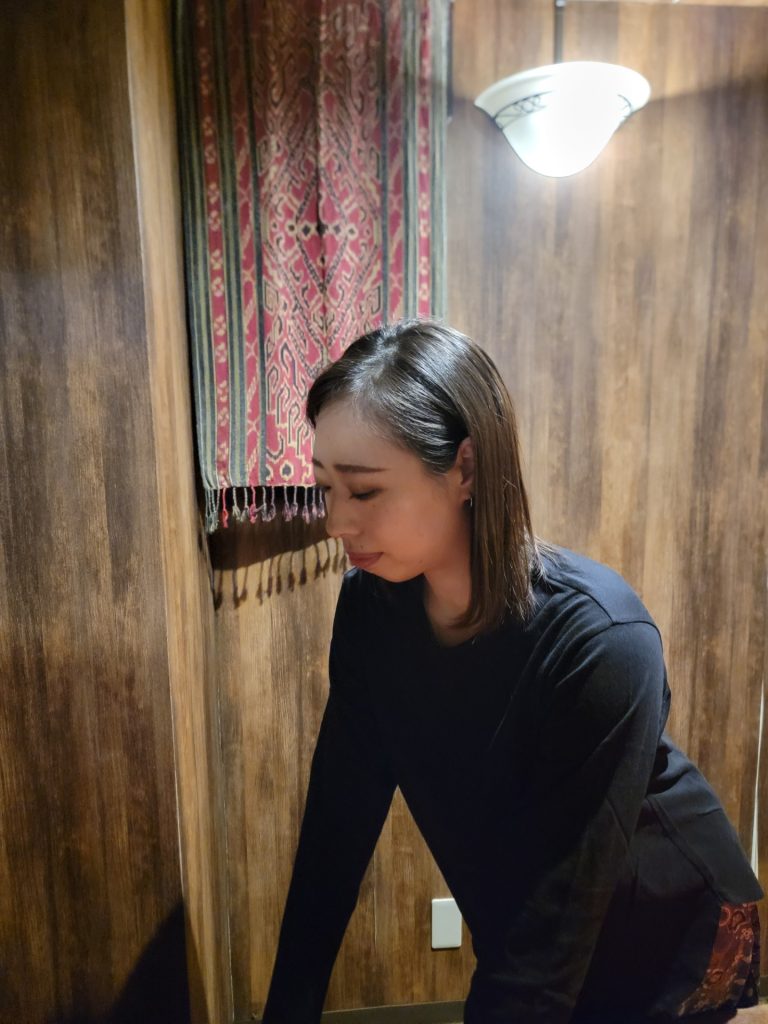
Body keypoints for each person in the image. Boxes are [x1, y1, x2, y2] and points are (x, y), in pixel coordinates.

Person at [261, 319, 762, 1024]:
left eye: (364, 492)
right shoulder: (373, 611)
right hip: (536, 916)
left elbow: (550, 941)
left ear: (464, 469)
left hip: (670, 924)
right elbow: (337, 825)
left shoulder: (602, 640)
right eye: (325, 488)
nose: (335, 522)